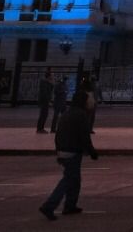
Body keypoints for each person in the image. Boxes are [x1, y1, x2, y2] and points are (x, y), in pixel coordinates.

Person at [39, 90, 98, 220]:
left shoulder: (68, 112)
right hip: (72, 151)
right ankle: (49, 205)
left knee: (75, 179)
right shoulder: (81, 115)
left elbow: (60, 133)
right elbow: (84, 137)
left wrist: (58, 150)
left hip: (64, 149)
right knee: (69, 179)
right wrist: (92, 152)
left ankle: (70, 205)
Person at [37, 68, 55, 133]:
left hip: (46, 101)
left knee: (44, 114)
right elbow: (45, 93)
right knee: (43, 114)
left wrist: (51, 83)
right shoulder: (44, 82)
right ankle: (40, 128)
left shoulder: (47, 82)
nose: (53, 76)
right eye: (52, 75)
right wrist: (48, 101)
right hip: (44, 101)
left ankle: (41, 128)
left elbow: (50, 91)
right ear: (49, 76)